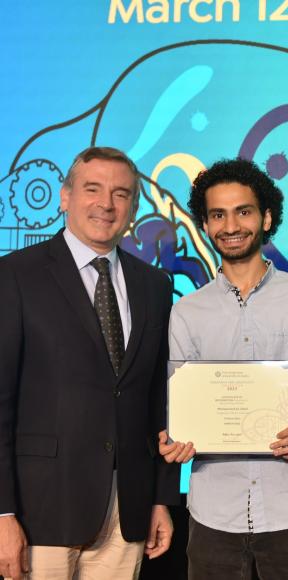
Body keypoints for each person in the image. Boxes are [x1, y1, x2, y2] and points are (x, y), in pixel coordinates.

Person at [159, 158, 288, 580]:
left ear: (266, 217)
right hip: (212, 510)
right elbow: (184, 404)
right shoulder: (187, 311)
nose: (231, 225)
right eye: (217, 214)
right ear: (205, 224)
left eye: (243, 211)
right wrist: (176, 436)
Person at [0, 147, 180, 580]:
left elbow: (158, 398)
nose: (106, 204)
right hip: (39, 508)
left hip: (128, 510)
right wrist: (2, 513)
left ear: (134, 208)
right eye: (92, 189)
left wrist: (160, 498)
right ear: (65, 197)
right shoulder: (13, 275)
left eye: (121, 193)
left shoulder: (154, 285)